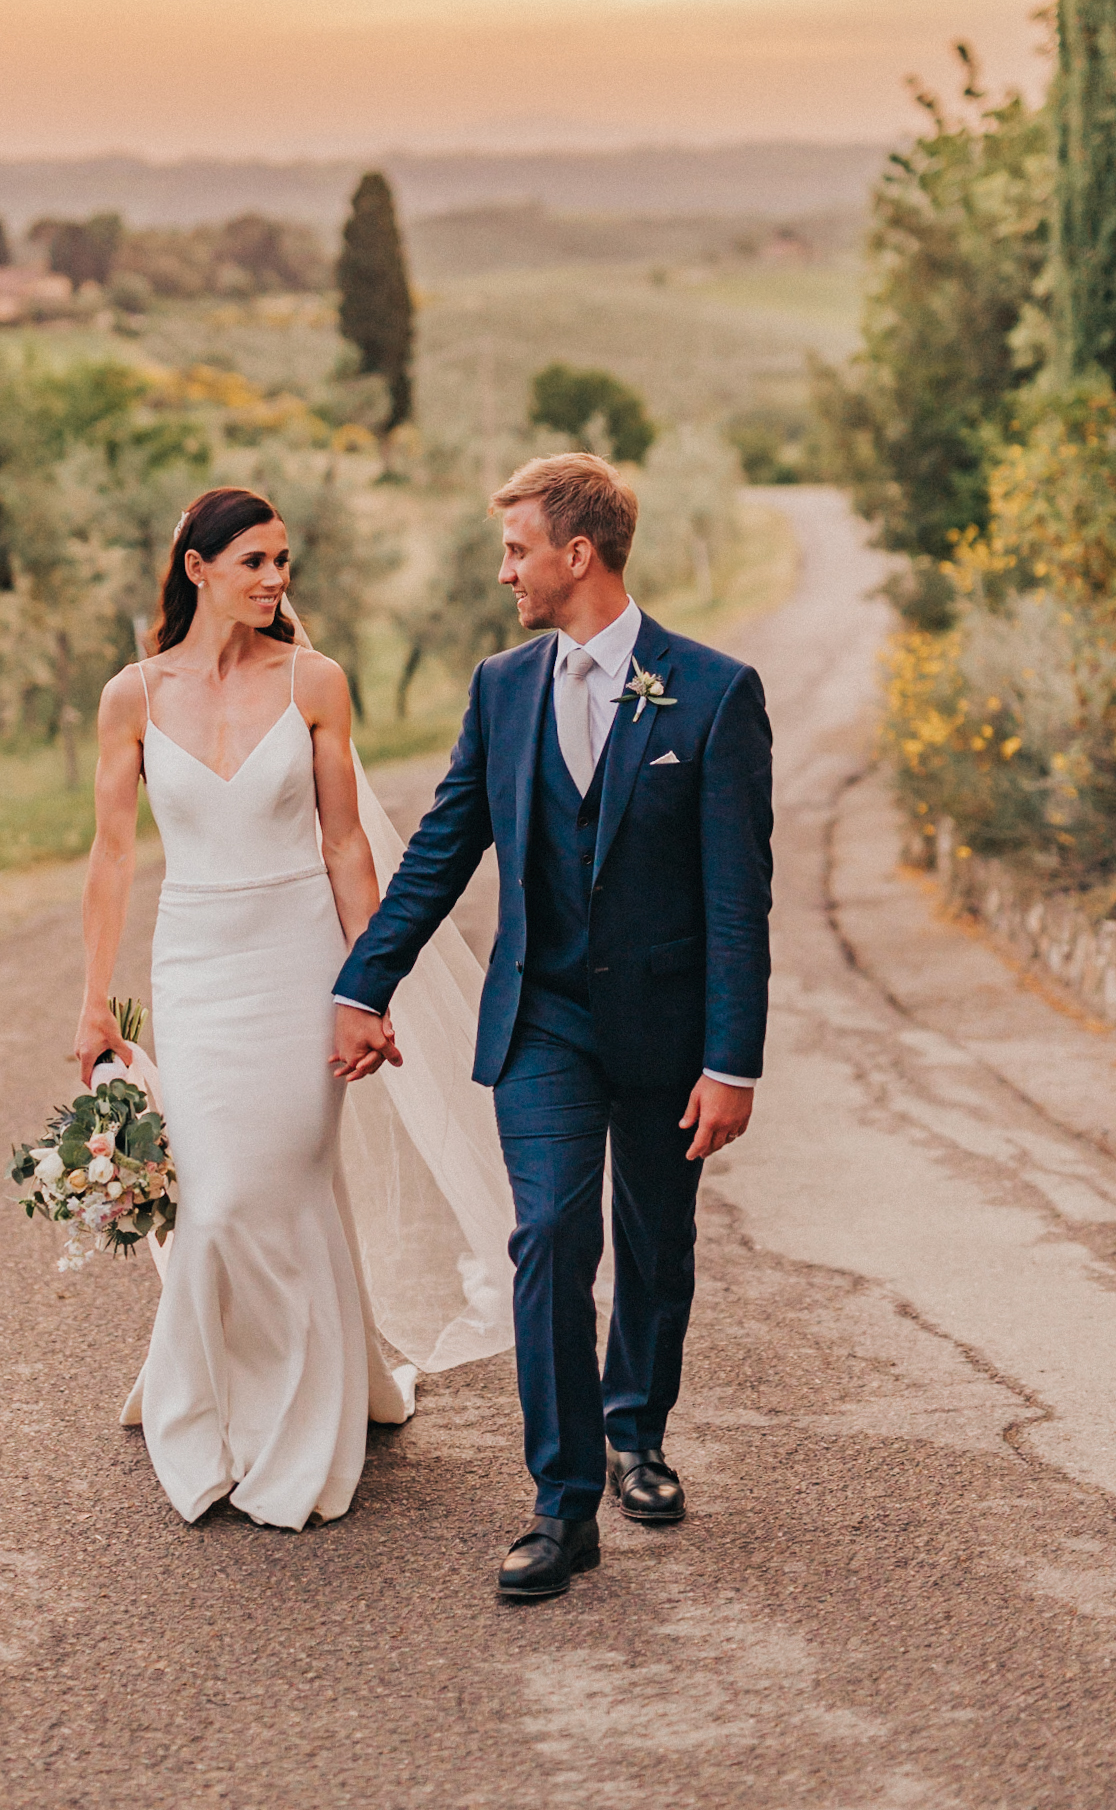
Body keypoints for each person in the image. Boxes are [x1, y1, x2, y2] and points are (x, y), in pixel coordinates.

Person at [333, 453, 773, 1600]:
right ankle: (560, 1502)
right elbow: (440, 850)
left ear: (578, 554)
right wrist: (360, 982)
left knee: (655, 1246)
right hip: (543, 1021)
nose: (503, 570)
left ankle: (636, 1430)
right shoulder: (501, 686)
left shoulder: (713, 692)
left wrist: (730, 1060)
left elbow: (737, 898)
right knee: (546, 1243)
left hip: (671, 1033)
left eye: (517, 548)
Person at [73, 486, 422, 1532]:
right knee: (216, 1194)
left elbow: (345, 843)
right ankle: (217, 1403)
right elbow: (110, 854)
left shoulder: (315, 681)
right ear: (197, 568)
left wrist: (368, 982)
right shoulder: (130, 696)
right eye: (256, 561)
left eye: (284, 561)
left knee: (279, 1181)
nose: (276, 580)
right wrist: (93, 1005)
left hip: (299, 958)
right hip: (196, 967)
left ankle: (297, 1415)